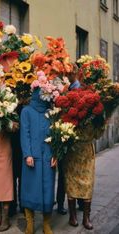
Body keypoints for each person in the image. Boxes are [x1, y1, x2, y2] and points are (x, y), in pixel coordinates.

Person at [20, 88, 57, 234]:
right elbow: (25, 133)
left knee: (48, 189)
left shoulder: (51, 112)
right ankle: (30, 222)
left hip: (48, 156)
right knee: (30, 189)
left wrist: (55, 154)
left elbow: (56, 133)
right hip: (32, 157)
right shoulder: (26, 111)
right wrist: (27, 154)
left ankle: (46, 223)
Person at [56, 63, 83, 215]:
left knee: (77, 171)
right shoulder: (63, 89)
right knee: (63, 172)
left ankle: (79, 200)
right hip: (63, 134)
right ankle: (60, 203)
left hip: (76, 136)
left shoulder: (80, 89)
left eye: (71, 72)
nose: (68, 74)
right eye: (66, 72)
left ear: (76, 73)